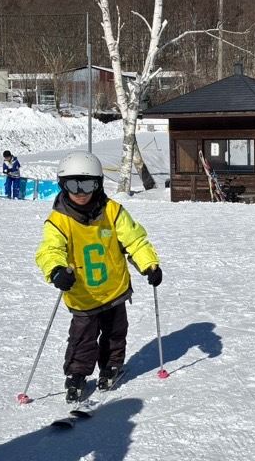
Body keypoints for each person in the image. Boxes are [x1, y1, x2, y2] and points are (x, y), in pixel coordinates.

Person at [35, 151, 162, 403]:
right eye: (73, 185)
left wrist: (149, 264)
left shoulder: (112, 211)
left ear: (99, 184)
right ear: (63, 185)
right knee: (82, 339)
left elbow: (134, 240)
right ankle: (76, 375)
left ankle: (111, 366)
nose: (80, 192)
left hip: (114, 290)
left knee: (116, 333)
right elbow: (49, 250)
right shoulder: (59, 221)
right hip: (83, 295)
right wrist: (56, 270)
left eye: (88, 184)